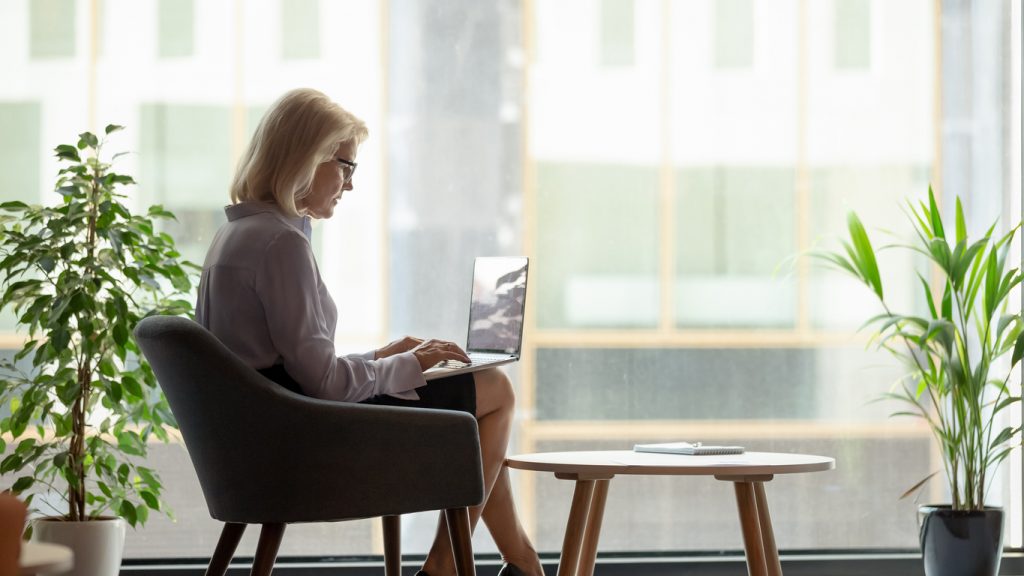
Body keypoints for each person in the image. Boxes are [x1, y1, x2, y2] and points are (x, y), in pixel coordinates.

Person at [195, 88, 543, 576]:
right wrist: (406, 365)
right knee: (496, 391)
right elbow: (323, 385)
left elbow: (289, 369)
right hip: (314, 444)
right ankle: (444, 567)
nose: (350, 184)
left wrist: (384, 354)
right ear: (305, 159)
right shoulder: (279, 244)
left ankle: (524, 562)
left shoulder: (234, 236)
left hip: (272, 441)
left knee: (477, 422)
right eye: (345, 166)